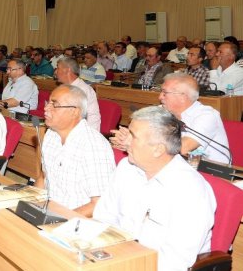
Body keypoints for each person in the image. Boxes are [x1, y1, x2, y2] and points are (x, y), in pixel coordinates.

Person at [94, 106, 216, 271]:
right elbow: (104, 218)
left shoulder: (190, 190)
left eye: (133, 136)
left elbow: (175, 261)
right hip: (117, 259)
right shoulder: (126, 168)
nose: (126, 141)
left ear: (158, 149)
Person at [35, 85, 115, 217]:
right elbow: (44, 177)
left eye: (54, 104)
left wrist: (59, 220)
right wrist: (30, 203)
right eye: (48, 102)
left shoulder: (94, 145)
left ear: (74, 112)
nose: (46, 108)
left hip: (75, 220)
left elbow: (99, 204)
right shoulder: (50, 134)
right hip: (48, 210)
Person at [114, 73, 228, 164]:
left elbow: (183, 148)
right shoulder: (163, 110)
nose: (160, 97)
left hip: (211, 173)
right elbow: (137, 129)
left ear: (183, 96)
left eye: (165, 93)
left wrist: (136, 142)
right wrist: (128, 136)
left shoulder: (207, 115)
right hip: (174, 165)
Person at [54, 57, 101, 131]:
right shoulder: (62, 88)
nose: (55, 72)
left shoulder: (84, 90)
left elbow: (93, 118)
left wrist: (91, 138)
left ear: (67, 70)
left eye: (58, 68)